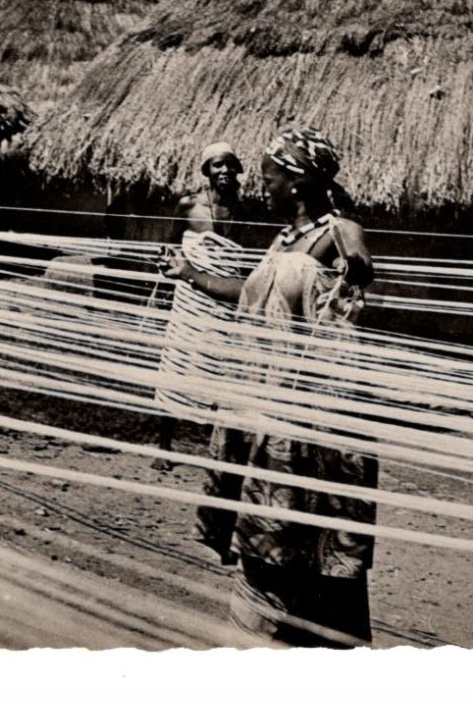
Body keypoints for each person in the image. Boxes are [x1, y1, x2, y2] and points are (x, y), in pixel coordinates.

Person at [162, 125, 376, 647]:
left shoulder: (338, 232)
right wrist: (189, 273)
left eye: (270, 178)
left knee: (310, 545)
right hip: (268, 411)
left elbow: (359, 271)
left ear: (298, 184)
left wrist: (352, 266)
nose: (264, 188)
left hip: (312, 419)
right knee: (268, 542)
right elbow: (248, 293)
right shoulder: (283, 240)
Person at [153, 142, 248, 468]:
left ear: (238, 170)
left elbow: (243, 258)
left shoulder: (244, 210)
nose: (224, 171)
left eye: (230, 165)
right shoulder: (189, 206)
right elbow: (169, 244)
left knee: (219, 366)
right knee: (177, 363)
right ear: (206, 170)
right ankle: (165, 447)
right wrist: (168, 269)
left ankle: (216, 450)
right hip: (190, 298)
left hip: (223, 299)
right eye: (217, 165)